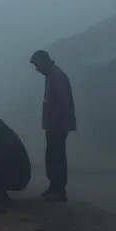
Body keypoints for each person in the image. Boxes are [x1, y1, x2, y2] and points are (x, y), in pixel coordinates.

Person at [30, 49, 75, 202]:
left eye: (37, 65)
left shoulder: (56, 76)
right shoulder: (52, 76)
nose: (37, 69)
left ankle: (59, 191)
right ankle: (54, 188)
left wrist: (53, 122)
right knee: (53, 156)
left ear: (44, 61)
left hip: (57, 125)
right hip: (54, 125)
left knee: (56, 157)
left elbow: (63, 103)